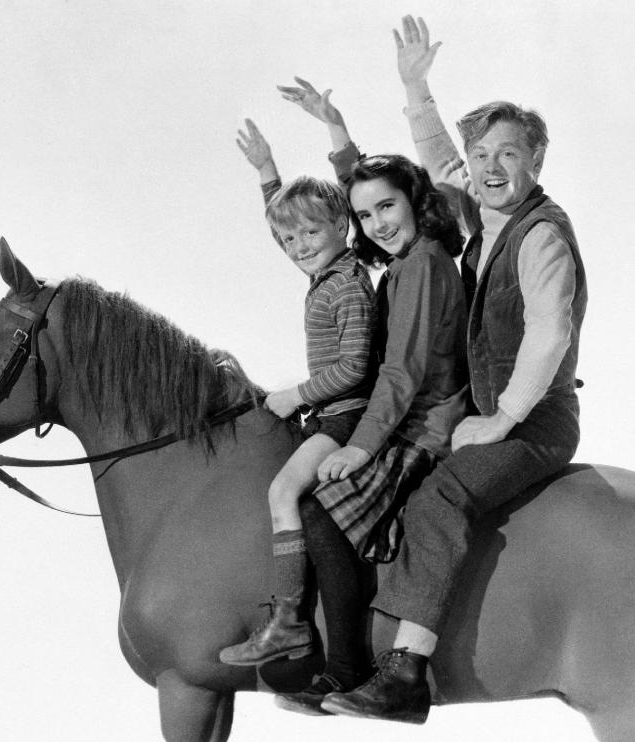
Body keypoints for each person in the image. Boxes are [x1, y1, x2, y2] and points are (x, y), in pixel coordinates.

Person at [319, 16, 588, 724]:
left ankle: (406, 674)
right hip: (492, 411)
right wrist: (416, 89)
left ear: (537, 160)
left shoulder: (541, 235)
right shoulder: (485, 219)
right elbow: (437, 163)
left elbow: (550, 332)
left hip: (537, 421)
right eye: (482, 154)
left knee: (439, 498)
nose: (490, 167)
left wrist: (502, 417)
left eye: (509, 153)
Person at [263, 80, 469, 716]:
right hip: (400, 415)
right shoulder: (400, 252)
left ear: (414, 201)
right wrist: (335, 130)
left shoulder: (423, 266)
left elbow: (400, 374)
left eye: (388, 210)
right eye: (367, 216)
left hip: (421, 425)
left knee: (323, 511)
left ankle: (349, 668)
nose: (377, 224)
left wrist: (357, 450)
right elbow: (354, 201)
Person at [218, 123, 377, 669]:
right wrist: (267, 170)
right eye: (289, 241)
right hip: (329, 411)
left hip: (347, 417)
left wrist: (295, 395)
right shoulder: (324, 274)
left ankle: (287, 622)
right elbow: (281, 221)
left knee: (284, 493)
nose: (297, 248)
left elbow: (356, 368)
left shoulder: (349, 284)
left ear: (341, 225)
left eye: (310, 235)